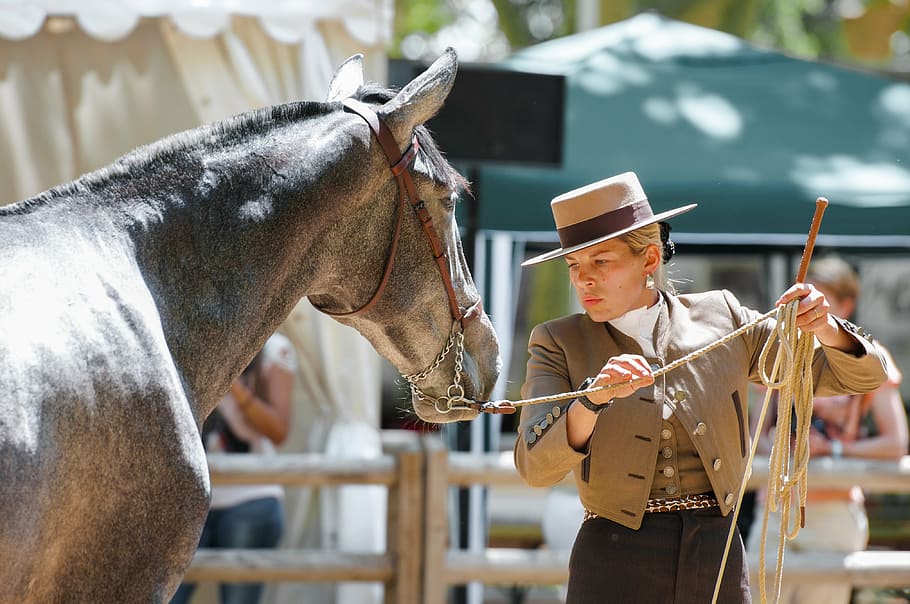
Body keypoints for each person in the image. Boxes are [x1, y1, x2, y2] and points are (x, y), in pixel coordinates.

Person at [512, 172, 888, 604]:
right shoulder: (556, 341)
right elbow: (534, 467)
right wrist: (590, 402)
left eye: (601, 261)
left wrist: (826, 327)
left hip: (717, 553)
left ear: (649, 259)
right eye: (574, 266)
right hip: (612, 559)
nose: (584, 280)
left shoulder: (722, 316)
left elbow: (862, 375)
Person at [746, 255, 908, 604]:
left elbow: (896, 444)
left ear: (846, 304)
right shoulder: (780, 352)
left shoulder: (868, 358)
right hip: (776, 508)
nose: (808, 306)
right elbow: (755, 440)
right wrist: (782, 446)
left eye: (821, 298)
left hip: (834, 511)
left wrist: (831, 450)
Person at [171, 332, 295, 604]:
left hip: (251, 498)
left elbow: (279, 431)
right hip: (189, 499)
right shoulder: (190, 339)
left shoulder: (274, 349)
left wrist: (234, 386)